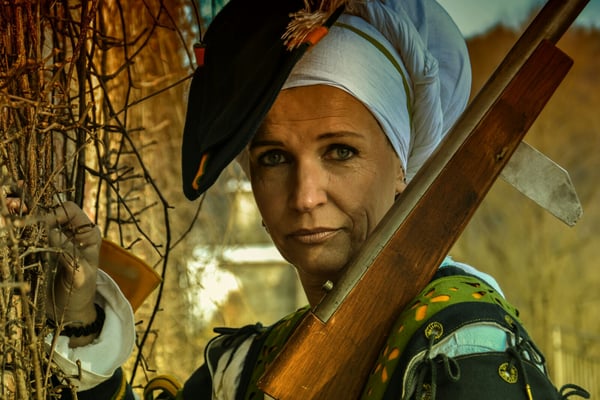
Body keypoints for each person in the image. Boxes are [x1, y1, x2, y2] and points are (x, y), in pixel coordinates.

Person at [41, 0, 589, 398]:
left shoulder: (464, 348)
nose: (305, 197)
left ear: (403, 167)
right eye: (274, 158)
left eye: (340, 152)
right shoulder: (249, 367)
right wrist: (81, 313)